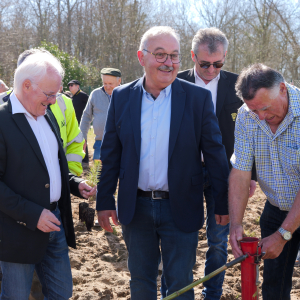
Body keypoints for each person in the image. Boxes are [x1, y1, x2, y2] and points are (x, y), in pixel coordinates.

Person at [96, 26, 230, 300]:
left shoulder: (197, 98)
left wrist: (223, 203)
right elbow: (111, 153)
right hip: (136, 207)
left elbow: (215, 155)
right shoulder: (122, 97)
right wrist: (105, 199)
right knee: (141, 281)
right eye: (160, 55)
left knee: (180, 283)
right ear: (141, 57)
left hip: (180, 206)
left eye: (174, 56)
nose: (168, 62)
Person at [0, 51, 95, 299]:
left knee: (62, 293)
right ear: (27, 85)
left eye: (57, 94)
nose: (54, 101)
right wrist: (33, 215)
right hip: (17, 232)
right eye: (50, 94)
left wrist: (74, 184)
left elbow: (52, 164)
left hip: (55, 223)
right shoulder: (2, 120)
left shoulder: (48, 113)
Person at [175, 28, 256, 300]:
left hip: (225, 174)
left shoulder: (239, 85)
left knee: (219, 241)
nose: (211, 70)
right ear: (192, 56)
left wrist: (250, 175)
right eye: (205, 64)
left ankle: (212, 293)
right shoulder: (174, 83)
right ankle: (180, 291)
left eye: (218, 64)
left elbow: (251, 131)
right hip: (185, 173)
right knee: (181, 237)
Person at [229, 63, 300, 299]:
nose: (261, 117)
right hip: (275, 209)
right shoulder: (246, 117)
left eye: (265, 108)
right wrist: (236, 224)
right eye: (254, 110)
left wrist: (282, 236)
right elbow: (240, 172)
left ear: (282, 88)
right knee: (273, 289)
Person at [17, 49, 85, 176]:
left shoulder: (64, 103)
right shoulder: (3, 105)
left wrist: (69, 177)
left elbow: (75, 141)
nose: (53, 100)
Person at [80, 68, 121, 161]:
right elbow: (86, 116)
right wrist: (83, 137)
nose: (107, 86)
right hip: (100, 143)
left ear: (119, 81)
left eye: (110, 83)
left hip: (122, 143)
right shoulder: (95, 94)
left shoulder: (126, 94)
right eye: (105, 83)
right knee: (99, 173)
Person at [68, 79, 89, 163]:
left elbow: (91, 105)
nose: (70, 87)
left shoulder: (83, 95)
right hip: (75, 123)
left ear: (78, 86)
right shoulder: (72, 96)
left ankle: (85, 160)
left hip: (82, 122)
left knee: (83, 139)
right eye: (69, 85)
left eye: (72, 85)